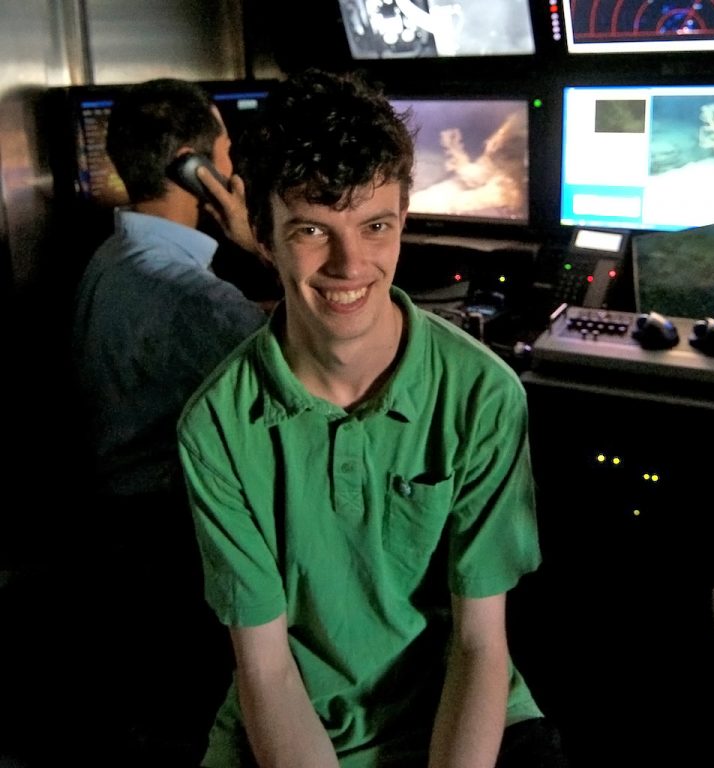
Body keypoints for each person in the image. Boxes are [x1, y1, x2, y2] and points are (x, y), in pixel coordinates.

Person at [178, 68, 568, 768]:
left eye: (375, 225)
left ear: (403, 219)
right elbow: (265, 670)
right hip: (295, 717)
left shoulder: (483, 395)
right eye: (310, 230)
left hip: (459, 703)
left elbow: (480, 644)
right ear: (262, 236)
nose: (350, 264)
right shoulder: (217, 426)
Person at [70, 78, 270, 766]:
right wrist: (254, 241)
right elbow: (309, 370)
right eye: (226, 145)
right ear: (196, 166)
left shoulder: (113, 259)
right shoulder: (190, 294)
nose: (233, 156)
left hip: (121, 537)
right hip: (174, 545)